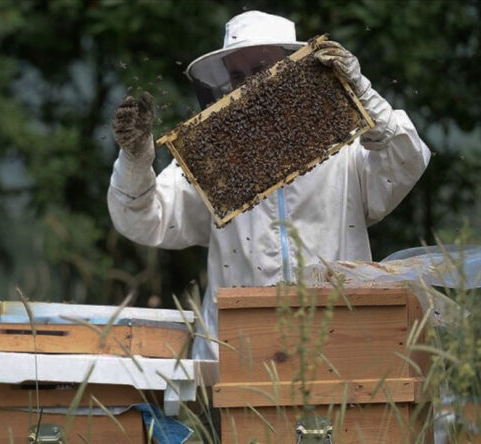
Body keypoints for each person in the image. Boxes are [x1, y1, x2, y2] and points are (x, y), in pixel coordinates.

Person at [107, 11, 431, 360]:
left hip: (338, 346)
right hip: (237, 355)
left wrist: (364, 95)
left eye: (260, 69)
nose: (248, 85)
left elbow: (404, 161)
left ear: (292, 68)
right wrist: (136, 160)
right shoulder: (212, 161)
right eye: (237, 75)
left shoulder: (346, 146)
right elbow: (145, 218)